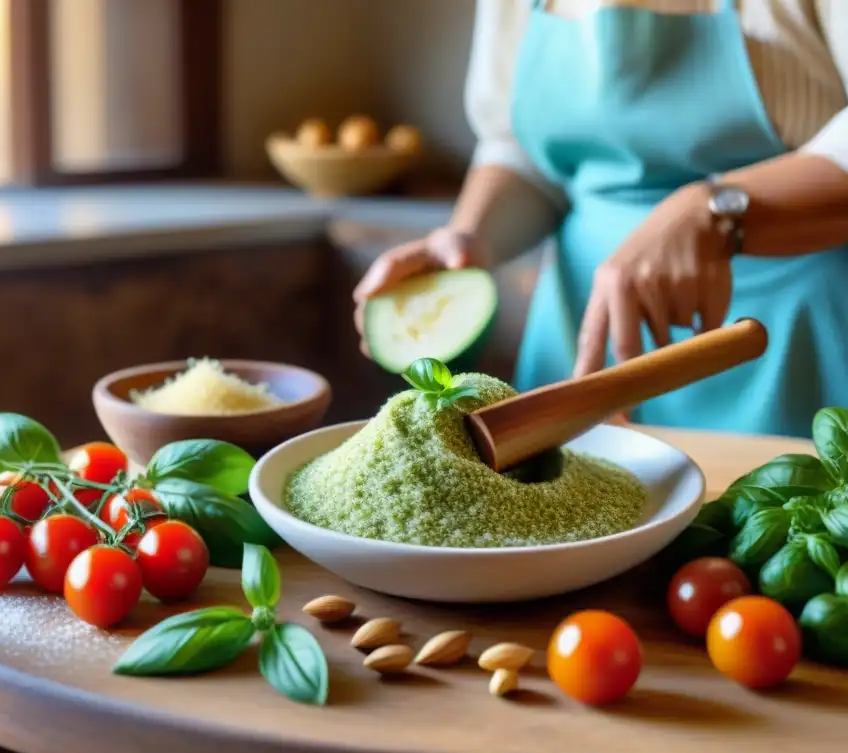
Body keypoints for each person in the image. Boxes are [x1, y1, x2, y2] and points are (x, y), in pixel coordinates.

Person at [354, 0, 848, 438]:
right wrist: (468, 236)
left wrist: (714, 208)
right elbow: (523, 151)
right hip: (580, 335)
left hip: (793, 344)